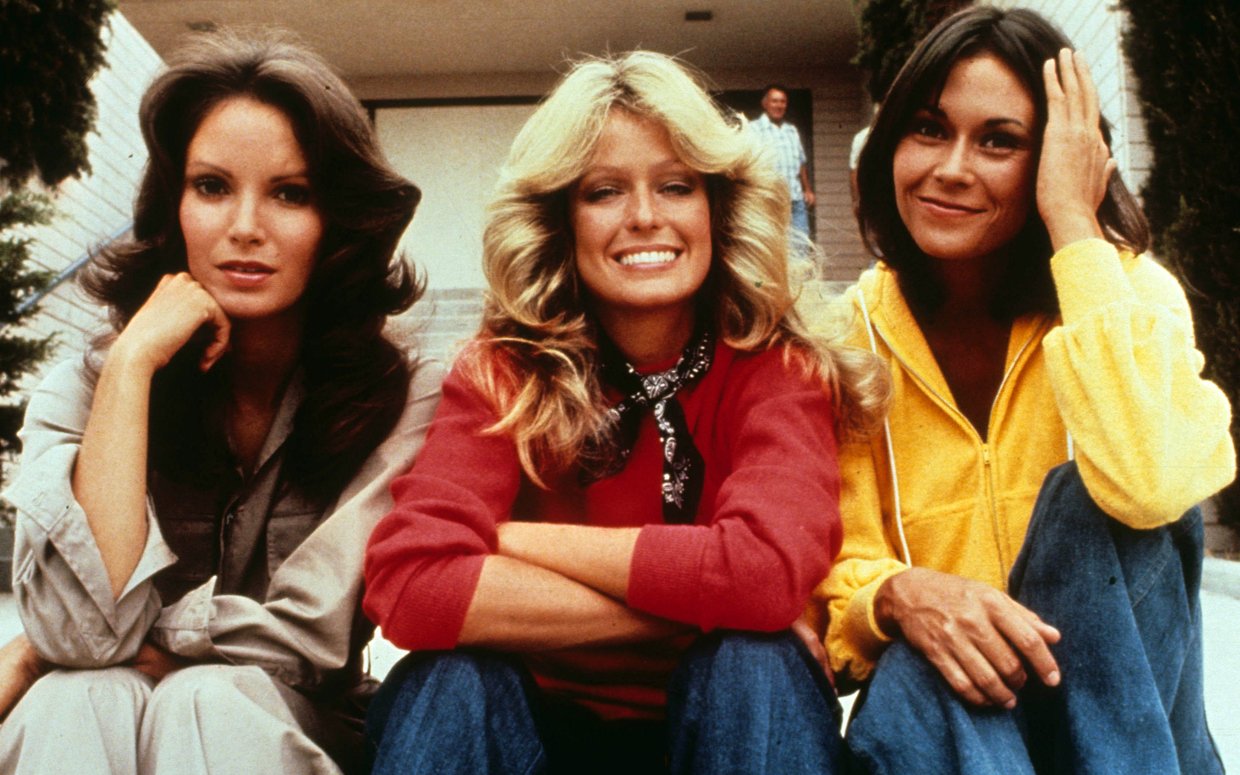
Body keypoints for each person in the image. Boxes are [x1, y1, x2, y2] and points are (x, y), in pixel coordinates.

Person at [361, 51, 887, 774]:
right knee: (450, 679)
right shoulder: (503, 371)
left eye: (676, 186)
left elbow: (764, 573)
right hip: (535, 734)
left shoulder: (776, 367)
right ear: (560, 217)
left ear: (716, 207)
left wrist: (508, 540)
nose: (644, 217)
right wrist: (702, 601)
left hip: (723, 727)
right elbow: (411, 586)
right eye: (604, 191)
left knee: (753, 661)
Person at [0, 29, 442, 775]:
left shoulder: (404, 395)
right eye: (211, 187)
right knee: (78, 696)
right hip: (103, 727)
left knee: (205, 698)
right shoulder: (84, 385)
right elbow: (82, 635)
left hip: (286, 732)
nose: (245, 228)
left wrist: (46, 649)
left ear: (336, 219)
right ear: (171, 205)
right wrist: (132, 367)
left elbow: (308, 636)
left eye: (290, 193)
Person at [808, 7, 1235, 774]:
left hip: (1128, 724)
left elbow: (1154, 484)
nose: (951, 167)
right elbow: (830, 571)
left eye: (998, 140)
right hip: (956, 724)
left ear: (1057, 158)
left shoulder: (1130, 294)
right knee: (914, 653)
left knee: (1085, 502)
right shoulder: (842, 341)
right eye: (929, 129)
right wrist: (900, 595)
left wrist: (1073, 221)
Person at [749, 84, 815, 243]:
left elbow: (801, 162)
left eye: (783, 101)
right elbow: (748, 164)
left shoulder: (791, 130)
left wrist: (807, 189)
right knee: (771, 245)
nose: (779, 105)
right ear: (765, 103)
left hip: (795, 200)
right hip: (769, 199)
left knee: (800, 246)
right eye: (774, 101)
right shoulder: (753, 129)